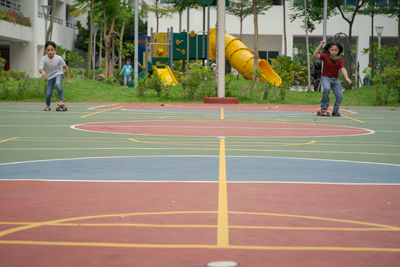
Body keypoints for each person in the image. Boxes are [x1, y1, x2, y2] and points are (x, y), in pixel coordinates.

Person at [313, 40, 352, 117]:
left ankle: (335, 111)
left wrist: (347, 78)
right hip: (326, 78)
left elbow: (343, 69)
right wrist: (320, 45)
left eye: (336, 50)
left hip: (335, 79)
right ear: (329, 50)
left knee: (339, 95)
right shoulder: (325, 56)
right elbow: (315, 55)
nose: (334, 52)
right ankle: (324, 107)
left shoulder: (340, 59)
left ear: (338, 51)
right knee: (327, 89)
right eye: (332, 50)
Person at [39, 41, 71, 111]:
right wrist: (42, 71)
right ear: (46, 50)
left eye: (51, 50)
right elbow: (40, 69)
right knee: (48, 93)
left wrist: (68, 79)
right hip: (50, 77)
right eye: (48, 50)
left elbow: (65, 67)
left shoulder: (58, 58)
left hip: (58, 73)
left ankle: (61, 100)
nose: (50, 52)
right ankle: (48, 106)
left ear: (55, 50)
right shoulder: (44, 58)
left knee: (58, 84)